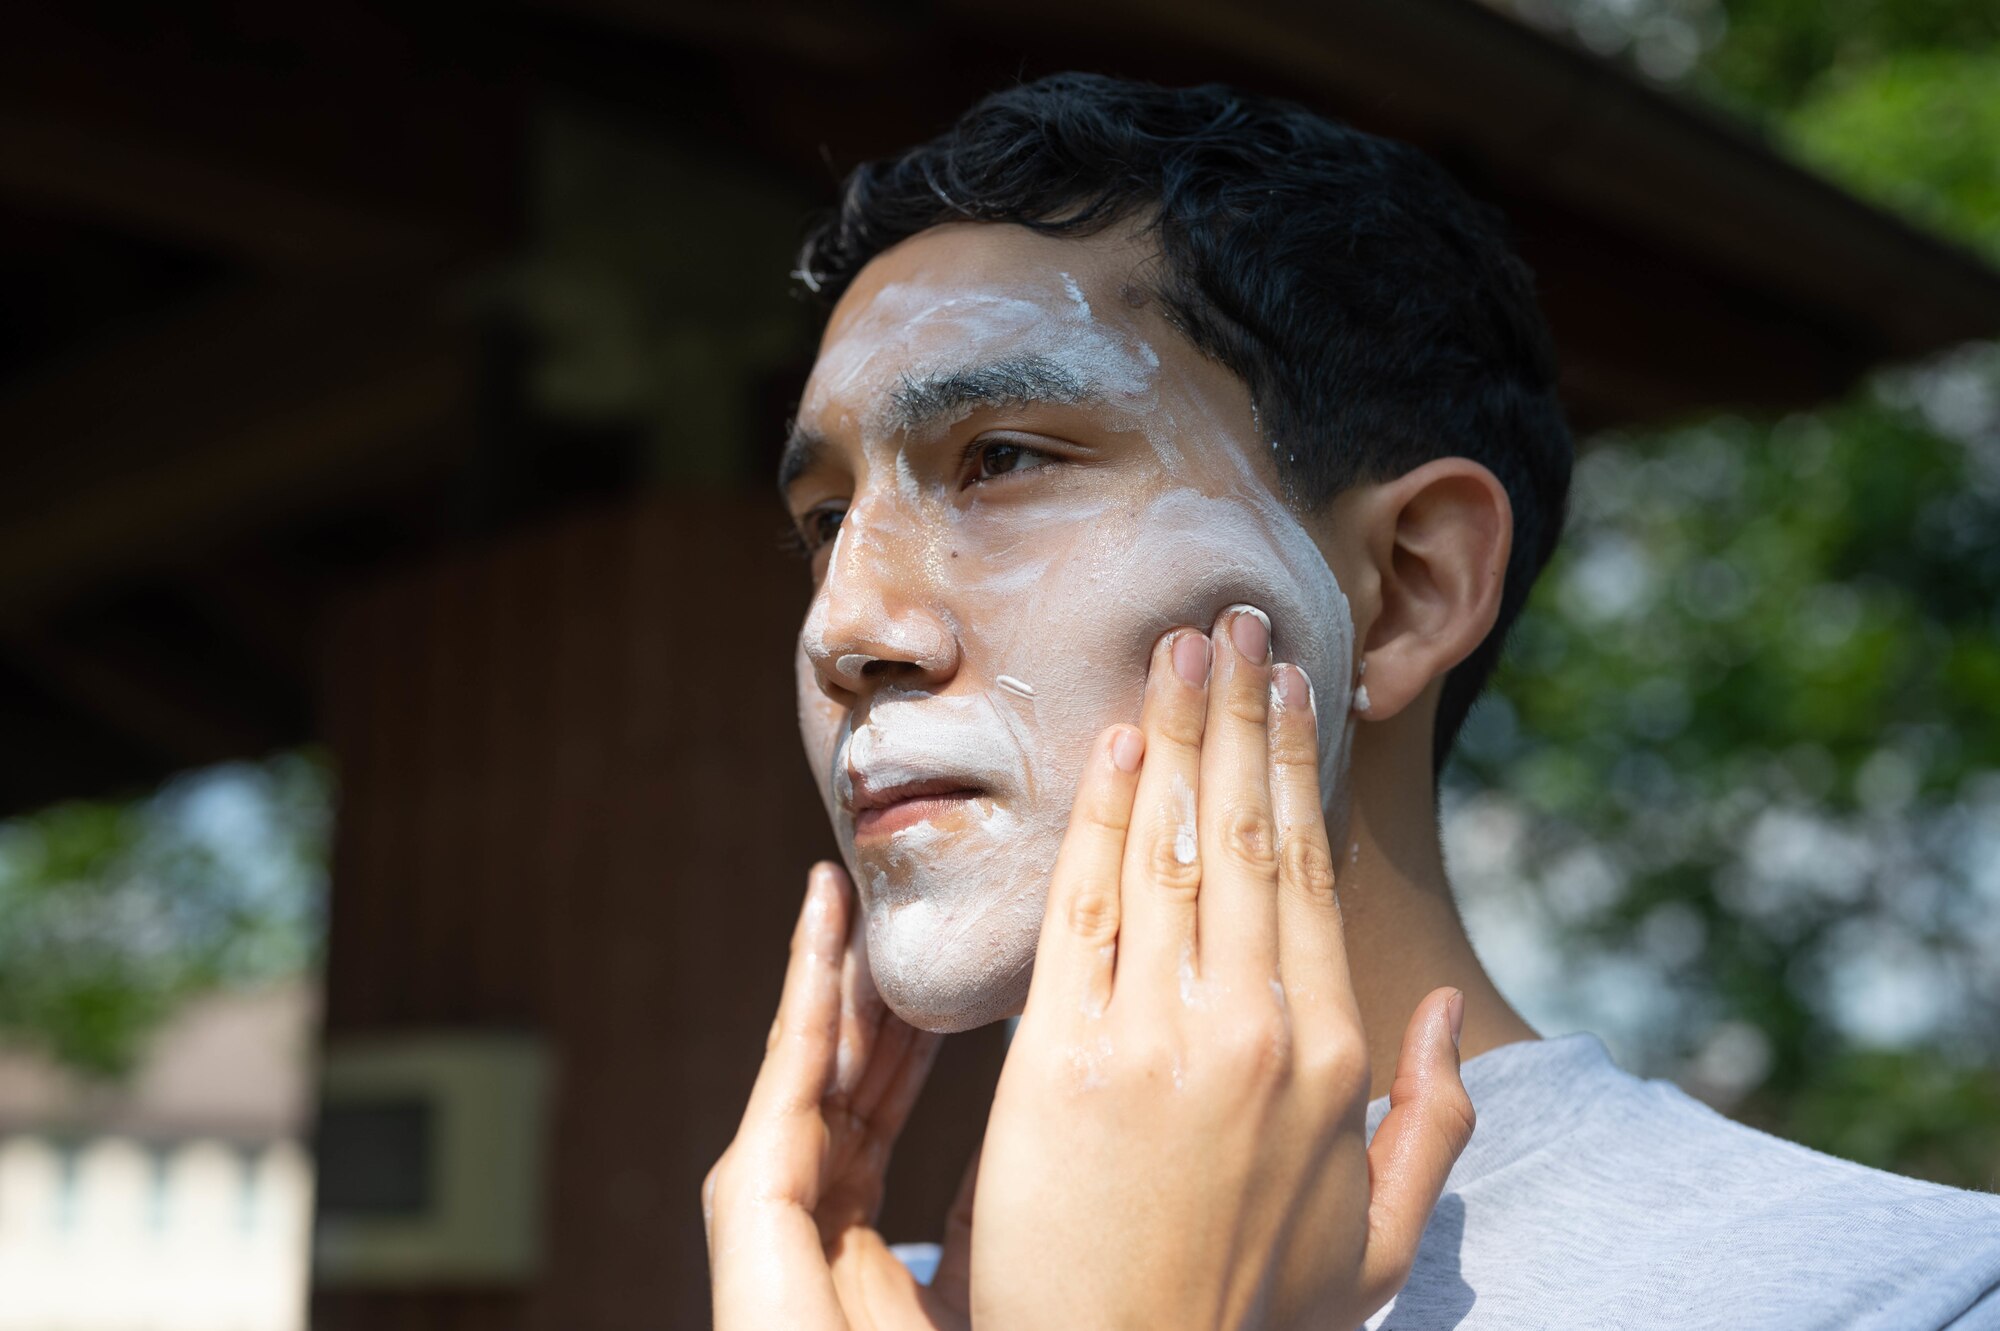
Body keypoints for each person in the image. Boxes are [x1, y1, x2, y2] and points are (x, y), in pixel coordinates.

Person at [704, 73, 2000, 1328]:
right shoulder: (825, 1306)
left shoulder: (1909, 1296)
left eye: (1001, 461)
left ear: (1405, 591)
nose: (846, 628)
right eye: (824, 520)